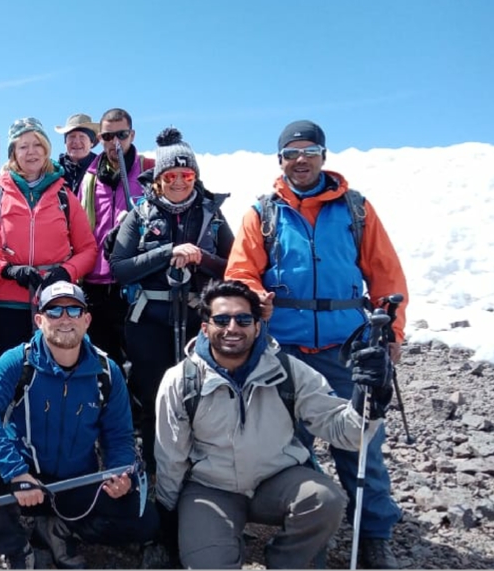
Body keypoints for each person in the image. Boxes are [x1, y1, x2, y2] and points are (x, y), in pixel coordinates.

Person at [225, 120, 409, 568]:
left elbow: (385, 275)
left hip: (347, 347)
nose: (300, 160)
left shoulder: (355, 209)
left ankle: (373, 533)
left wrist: (393, 333)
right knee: (290, 446)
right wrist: (254, 296)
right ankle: (312, 528)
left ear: (324, 156)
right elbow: (240, 272)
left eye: (309, 151)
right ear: (280, 160)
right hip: (282, 350)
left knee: (360, 443)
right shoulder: (263, 213)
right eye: (291, 153)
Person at [154, 279, 393, 569]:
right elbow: (171, 456)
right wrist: (169, 518)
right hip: (210, 488)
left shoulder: (290, 371)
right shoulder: (180, 380)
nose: (232, 328)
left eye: (243, 319)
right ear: (205, 327)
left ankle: (284, 561)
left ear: (257, 326)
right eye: (221, 319)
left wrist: (370, 402)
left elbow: (343, 431)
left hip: (277, 479)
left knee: (326, 501)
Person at [0, 281, 158, 569]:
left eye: (73, 310)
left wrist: (121, 473)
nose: (64, 318)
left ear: (87, 320)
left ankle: (59, 528)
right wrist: (16, 471)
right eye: (54, 311)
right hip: (23, 477)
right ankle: (15, 547)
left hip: (76, 481)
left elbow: (118, 435)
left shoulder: (107, 371)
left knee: (145, 522)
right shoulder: (18, 362)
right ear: (39, 320)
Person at [106, 127, 232, 474]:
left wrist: (199, 258)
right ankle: (156, 471)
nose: (179, 181)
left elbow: (234, 268)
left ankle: (202, 473)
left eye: (186, 174)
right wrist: (167, 252)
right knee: (153, 398)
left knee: (203, 396)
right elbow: (119, 268)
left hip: (198, 322)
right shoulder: (141, 214)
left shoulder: (213, 215)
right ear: (158, 179)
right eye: (171, 175)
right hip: (148, 322)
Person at [0, 117, 98, 367]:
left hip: (55, 304)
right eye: (23, 146)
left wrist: (65, 271)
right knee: (12, 374)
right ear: (13, 153)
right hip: (5, 305)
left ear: (47, 150)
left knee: (54, 370)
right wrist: (7, 270)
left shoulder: (64, 196)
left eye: (37, 144)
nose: (31, 152)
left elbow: (88, 250)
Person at [77, 108, 156, 370]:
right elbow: (79, 227)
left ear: (132, 135)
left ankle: (140, 411)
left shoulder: (149, 171)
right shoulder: (89, 178)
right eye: (108, 136)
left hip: (134, 281)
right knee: (102, 361)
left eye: (121, 135)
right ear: (100, 139)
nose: (115, 142)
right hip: (95, 283)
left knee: (140, 358)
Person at [53, 114, 100, 196]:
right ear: (65, 142)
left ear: (91, 142)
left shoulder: (101, 168)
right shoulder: (54, 170)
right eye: (72, 136)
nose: (76, 141)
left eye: (82, 136)